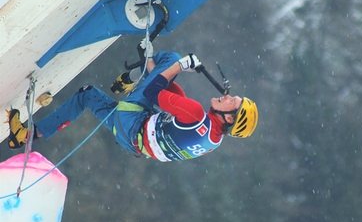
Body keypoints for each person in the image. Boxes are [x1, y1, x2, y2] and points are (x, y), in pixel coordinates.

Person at [6, 43, 258, 162]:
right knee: (86, 94)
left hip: (134, 119)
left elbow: (152, 94)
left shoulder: (195, 114)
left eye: (231, 101)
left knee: (172, 58)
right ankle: (27, 135)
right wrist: (156, 69)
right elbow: (171, 98)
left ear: (228, 118)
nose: (226, 96)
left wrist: (179, 66)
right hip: (132, 142)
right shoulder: (214, 140)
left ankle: (131, 77)